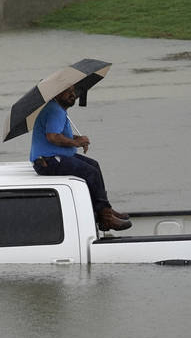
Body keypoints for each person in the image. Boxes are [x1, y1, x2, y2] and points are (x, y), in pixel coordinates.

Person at [30, 85, 131, 231]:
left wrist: (78, 139)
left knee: (94, 165)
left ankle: (105, 210)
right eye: (68, 92)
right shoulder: (54, 110)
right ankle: (106, 218)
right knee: (91, 173)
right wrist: (76, 142)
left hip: (54, 157)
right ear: (56, 94)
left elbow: (61, 135)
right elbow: (52, 136)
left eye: (73, 91)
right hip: (48, 161)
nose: (73, 94)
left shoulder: (57, 109)